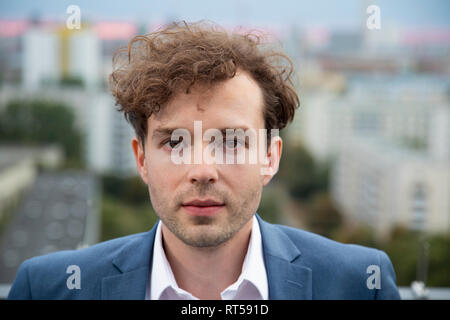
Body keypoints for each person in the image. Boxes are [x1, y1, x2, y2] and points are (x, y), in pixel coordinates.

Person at [8, 21, 401, 300]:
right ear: (141, 159)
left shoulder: (360, 285)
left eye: (231, 141)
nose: (201, 171)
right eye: (175, 142)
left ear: (270, 157)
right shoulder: (48, 288)